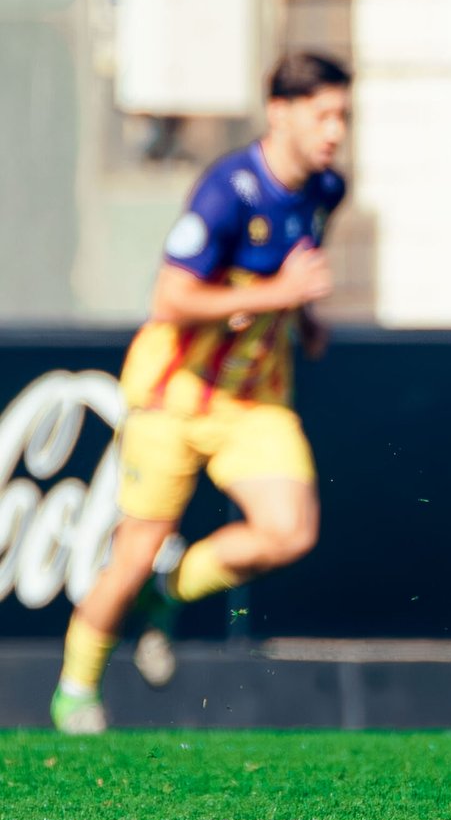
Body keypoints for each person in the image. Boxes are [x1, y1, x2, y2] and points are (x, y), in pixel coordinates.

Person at [52, 52, 350, 734]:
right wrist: (281, 294)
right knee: (131, 554)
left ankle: (170, 586)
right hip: (174, 397)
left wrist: (305, 318)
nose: (335, 131)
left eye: (343, 116)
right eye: (323, 115)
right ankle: (76, 688)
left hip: (253, 398)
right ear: (279, 113)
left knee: (289, 532)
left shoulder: (326, 189)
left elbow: (296, 265)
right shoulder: (227, 190)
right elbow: (170, 297)